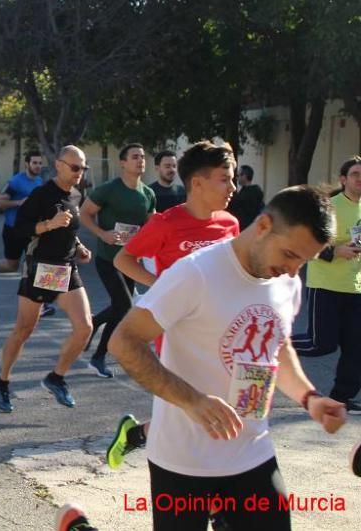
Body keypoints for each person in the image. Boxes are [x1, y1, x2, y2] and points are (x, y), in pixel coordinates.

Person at [109, 186, 346, 531]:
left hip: (253, 455)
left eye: (303, 262)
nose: (294, 271)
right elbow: (124, 341)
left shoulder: (286, 282)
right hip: (183, 463)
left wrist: (310, 398)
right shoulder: (196, 273)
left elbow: (277, 348)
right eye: (291, 254)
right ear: (263, 226)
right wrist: (191, 401)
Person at [106, 140, 240, 469]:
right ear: (197, 183)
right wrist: (162, 286)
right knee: (192, 405)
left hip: (220, 328)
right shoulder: (166, 223)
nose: (233, 187)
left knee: (205, 408)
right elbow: (124, 259)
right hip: (177, 330)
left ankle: (137, 435)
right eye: (225, 178)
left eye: (233, 178)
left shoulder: (230, 224)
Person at [0, 146, 94, 412]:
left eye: (82, 168)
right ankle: (2, 382)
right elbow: (20, 230)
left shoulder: (76, 194)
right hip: (41, 268)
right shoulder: (40, 195)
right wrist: (49, 224)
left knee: (85, 328)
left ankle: (56, 377)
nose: (79, 173)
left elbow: (69, 227)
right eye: (75, 168)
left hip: (67, 267)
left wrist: (79, 245)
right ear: (59, 165)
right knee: (24, 329)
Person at [79, 144, 155, 378]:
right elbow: (84, 213)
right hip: (108, 259)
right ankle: (98, 357)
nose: (140, 161)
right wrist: (103, 234)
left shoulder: (148, 194)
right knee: (123, 307)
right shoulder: (109, 190)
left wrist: (146, 245)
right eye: (135, 157)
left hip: (131, 262)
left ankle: (94, 322)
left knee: (120, 305)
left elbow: (150, 227)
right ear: (123, 163)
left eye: (142, 157)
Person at [292, 156, 361, 414]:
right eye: (355, 174)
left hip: (356, 288)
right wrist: (334, 251)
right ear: (344, 180)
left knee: (356, 347)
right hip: (326, 286)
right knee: (322, 343)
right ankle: (275, 342)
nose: (359, 179)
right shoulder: (329, 207)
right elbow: (304, 243)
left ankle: (341, 398)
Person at [0, 151, 45, 282]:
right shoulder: (16, 182)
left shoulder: (40, 181)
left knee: (35, 263)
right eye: (34, 163)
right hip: (13, 229)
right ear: (27, 164)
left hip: (32, 229)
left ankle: (41, 299)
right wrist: (19, 202)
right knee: (12, 266)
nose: (38, 166)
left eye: (40, 163)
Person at [227, 164, 265, 231]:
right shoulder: (253, 192)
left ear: (244, 176)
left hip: (245, 229)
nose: (237, 178)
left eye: (238, 175)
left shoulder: (245, 195)